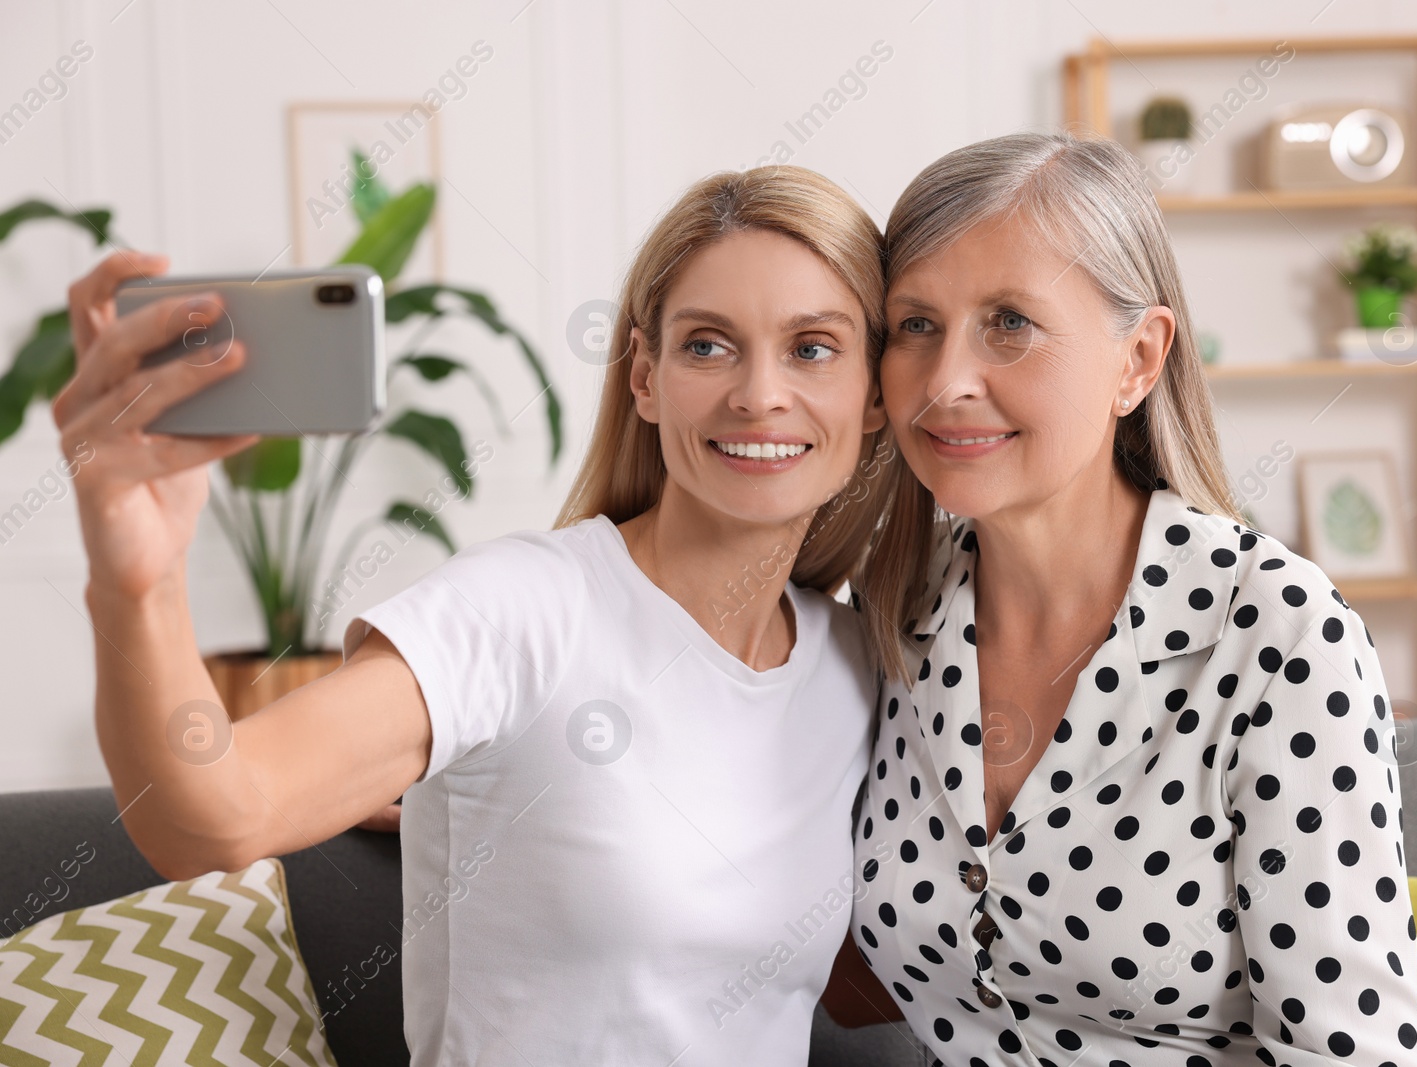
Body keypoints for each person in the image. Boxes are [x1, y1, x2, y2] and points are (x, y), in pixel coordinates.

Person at [57, 165, 895, 1065]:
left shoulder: (856, 666)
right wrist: (137, 582)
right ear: (645, 378)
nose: (759, 394)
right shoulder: (522, 607)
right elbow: (210, 819)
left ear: (877, 394)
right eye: (707, 345)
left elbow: (866, 974)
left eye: (813, 348)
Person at [826, 131, 1417, 1065]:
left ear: (1138, 360)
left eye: (1010, 322)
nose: (946, 383)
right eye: (915, 325)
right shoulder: (893, 611)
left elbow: (1352, 1052)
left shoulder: (1275, 634)